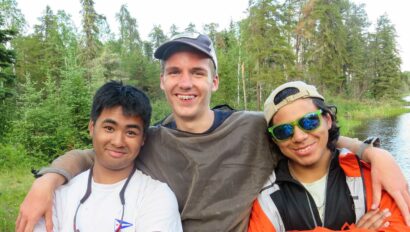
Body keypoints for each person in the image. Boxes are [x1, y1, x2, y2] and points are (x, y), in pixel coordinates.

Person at [16, 33, 410, 232]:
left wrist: (374, 152)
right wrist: (49, 178)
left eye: (197, 72)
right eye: (175, 72)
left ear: (215, 81)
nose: (185, 82)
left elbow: (307, 131)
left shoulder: (253, 127)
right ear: (164, 81)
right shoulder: (151, 139)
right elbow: (95, 154)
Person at [248, 81, 409, 231]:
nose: (299, 137)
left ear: (328, 120)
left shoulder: (369, 176)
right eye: (284, 131)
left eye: (309, 121)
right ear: (275, 139)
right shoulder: (267, 196)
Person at [33, 81, 182, 232]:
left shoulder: (157, 197)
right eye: (109, 128)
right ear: (92, 127)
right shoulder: (57, 194)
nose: (118, 142)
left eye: (130, 132)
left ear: (143, 139)